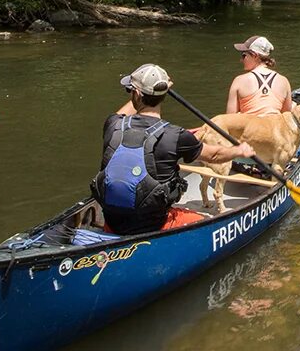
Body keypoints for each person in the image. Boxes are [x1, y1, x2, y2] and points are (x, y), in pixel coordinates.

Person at [94, 63, 253, 234]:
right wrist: (239, 150)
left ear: (137, 94)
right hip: (154, 224)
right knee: (203, 222)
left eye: (130, 90)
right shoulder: (176, 135)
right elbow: (214, 155)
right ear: (163, 96)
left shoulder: (113, 124)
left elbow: (123, 113)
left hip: (112, 221)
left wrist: (151, 91)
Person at [226, 35, 292, 115]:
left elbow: (230, 119)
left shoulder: (239, 81)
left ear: (255, 55)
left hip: (250, 127)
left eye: (244, 56)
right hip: (273, 126)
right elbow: (286, 116)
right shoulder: (284, 81)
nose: (241, 60)